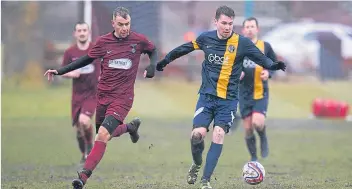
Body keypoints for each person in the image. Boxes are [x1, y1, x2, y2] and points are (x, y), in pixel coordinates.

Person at [156, 6, 286, 189]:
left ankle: (205, 181)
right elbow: (184, 48)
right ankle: (197, 164)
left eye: (230, 24)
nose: (227, 27)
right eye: (224, 23)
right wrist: (164, 61)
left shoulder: (242, 43)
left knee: (218, 134)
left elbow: (260, 59)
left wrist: (274, 66)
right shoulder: (205, 38)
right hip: (206, 97)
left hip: (228, 100)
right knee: (197, 135)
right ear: (216, 21)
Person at [44, 7, 157, 189]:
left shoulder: (138, 40)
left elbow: (153, 50)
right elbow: (85, 60)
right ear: (113, 24)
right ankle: (130, 127)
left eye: (127, 24)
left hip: (123, 97)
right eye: (120, 25)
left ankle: (83, 177)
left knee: (103, 135)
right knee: (105, 135)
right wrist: (60, 71)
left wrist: (153, 66)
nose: (124, 28)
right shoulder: (103, 42)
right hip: (103, 96)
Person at [239, 17, 277, 162]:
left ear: (257, 29)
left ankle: (263, 137)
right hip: (243, 94)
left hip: (260, 92)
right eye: (247, 27)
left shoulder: (265, 46)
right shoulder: (238, 47)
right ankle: (254, 157)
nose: (249, 29)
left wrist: (269, 73)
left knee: (258, 123)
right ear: (243, 30)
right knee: (248, 128)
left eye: (252, 26)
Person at [61, 22, 99, 164]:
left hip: (92, 94)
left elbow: (106, 65)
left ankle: (89, 148)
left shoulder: (96, 50)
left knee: (84, 121)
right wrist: (72, 73)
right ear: (75, 34)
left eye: (84, 30)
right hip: (77, 96)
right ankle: (84, 153)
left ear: (88, 32)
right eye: (79, 30)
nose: (82, 33)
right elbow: (62, 72)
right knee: (79, 129)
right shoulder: (70, 52)